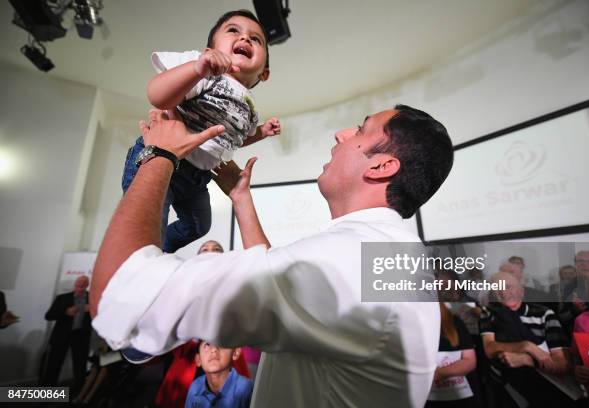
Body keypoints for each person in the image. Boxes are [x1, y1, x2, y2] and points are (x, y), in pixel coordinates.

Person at [91, 103, 455, 407]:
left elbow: (119, 296)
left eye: (360, 131)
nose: (341, 134)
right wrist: (241, 200)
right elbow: (279, 286)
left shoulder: (350, 259)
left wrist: (159, 155)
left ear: (381, 166)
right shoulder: (387, 253)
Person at [121, 10, 281, 253]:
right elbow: (156, 95)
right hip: (162, 161)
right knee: (149, 225)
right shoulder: (205, 71)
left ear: (264, 73)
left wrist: (261, 132)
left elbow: (235, 140)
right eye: (233, 31)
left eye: (256, 39)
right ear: (210, 51)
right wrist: (197, 69)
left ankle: (160, 250)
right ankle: (144, 252)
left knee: (198, 225)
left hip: (198, 177)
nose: (245, 39)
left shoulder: (250, 108)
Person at [154, 240, 251, 408]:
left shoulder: (237, 290)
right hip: (189, 371)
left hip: (227, 373)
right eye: (204, 249)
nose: (210, 252)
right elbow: (176, 345)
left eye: (216, 249)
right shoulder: (183, 292)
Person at [480, 272, 573, 407]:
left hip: (545, 388)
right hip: (506, 389)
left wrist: (527, 359)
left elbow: (563, 363)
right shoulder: (489, 313)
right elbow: (489, 348)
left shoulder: (544, 314)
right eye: (496, 288)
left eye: (508, 287)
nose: (503, 292)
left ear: (521, 291)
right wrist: (527, 346)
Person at [41, 275, 92, 392]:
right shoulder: (62, 298)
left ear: (87, 285)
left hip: (81, 337)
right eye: (78, 285)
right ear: (75, 284)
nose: (80, 288)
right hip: (61, 336)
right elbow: (48, 316)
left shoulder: (93, 299)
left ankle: (78, 394)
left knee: (80, 367)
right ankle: (46, 393)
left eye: (83, 286)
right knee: (53, 365)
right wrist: (65, 312)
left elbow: (101, 318)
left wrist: (93, 310)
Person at [425, 303, 477, 408]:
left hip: (457, 397)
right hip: (424, 398)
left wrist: (438, 373)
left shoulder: (454, 321)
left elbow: (470, 361)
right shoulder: (406, 325)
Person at [185, 341, 253, 408]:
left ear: (235, 352)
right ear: (198, 359)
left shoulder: (246, 389)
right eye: (207, 344)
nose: (213, 349)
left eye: (221, 343)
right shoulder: (195, 387)